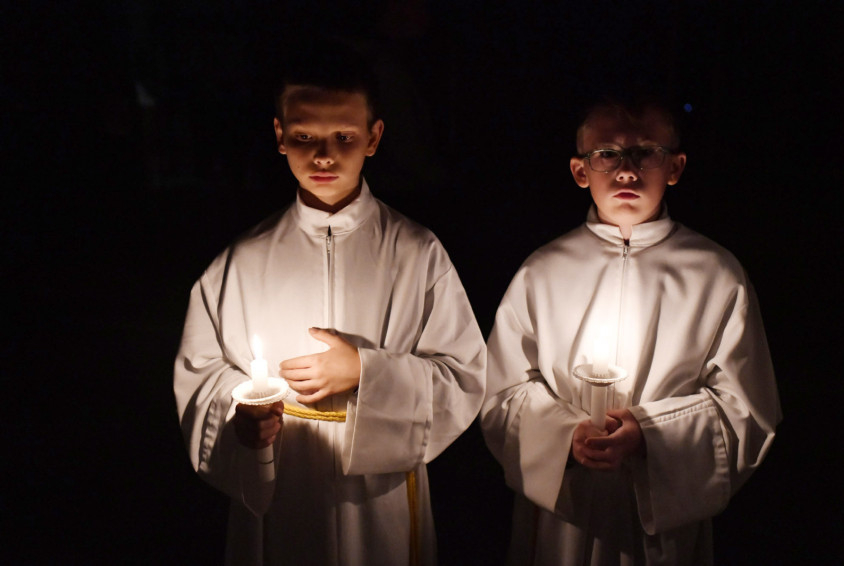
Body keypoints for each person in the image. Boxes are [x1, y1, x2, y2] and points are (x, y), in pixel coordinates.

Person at [174, 42, 486, 566]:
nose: (324, 156)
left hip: (379, 495)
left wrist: (366, 372)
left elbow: (463, 375)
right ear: (279, 135)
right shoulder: (241, 261)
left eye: (344, 137)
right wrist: (241, 419)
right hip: (282, 482)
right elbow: (200, 374)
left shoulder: (416, 252)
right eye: (305, 137)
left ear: (374, 137)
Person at [480, 98, 781, 565]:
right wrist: (565, 435)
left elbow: (747, 411)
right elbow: (500, 393)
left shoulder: (716, 275)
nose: (626, 171)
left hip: (661, 521)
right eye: (607, 154)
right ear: (580, 171)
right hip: (566, 510)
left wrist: (649, 435)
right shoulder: (542, 272)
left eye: (646, 153)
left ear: (675, 167)